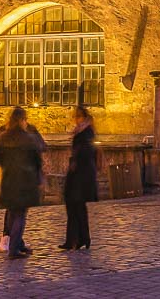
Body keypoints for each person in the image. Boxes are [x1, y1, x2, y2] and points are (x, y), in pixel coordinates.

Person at [0, 107, 44, 259]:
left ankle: (17, 244)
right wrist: (38, 178)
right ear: (22, 120)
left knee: (12, 213)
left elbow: (0, 159)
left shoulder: (4, 138)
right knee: (20, 215)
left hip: (9, 179)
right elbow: (37, 160)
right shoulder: (29, 139)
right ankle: (14, 249)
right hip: (24, 180)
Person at [61, 105, 98, 251]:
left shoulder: (86, 132)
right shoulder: (84, 131)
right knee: (77, 207)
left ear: (83, 117)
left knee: (75, 205)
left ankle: (76, 240)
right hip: (80, 175)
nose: (75, 120)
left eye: (77, 117)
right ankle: (80, 238)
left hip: (81, 176)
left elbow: (86, 152)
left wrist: (75, 162)